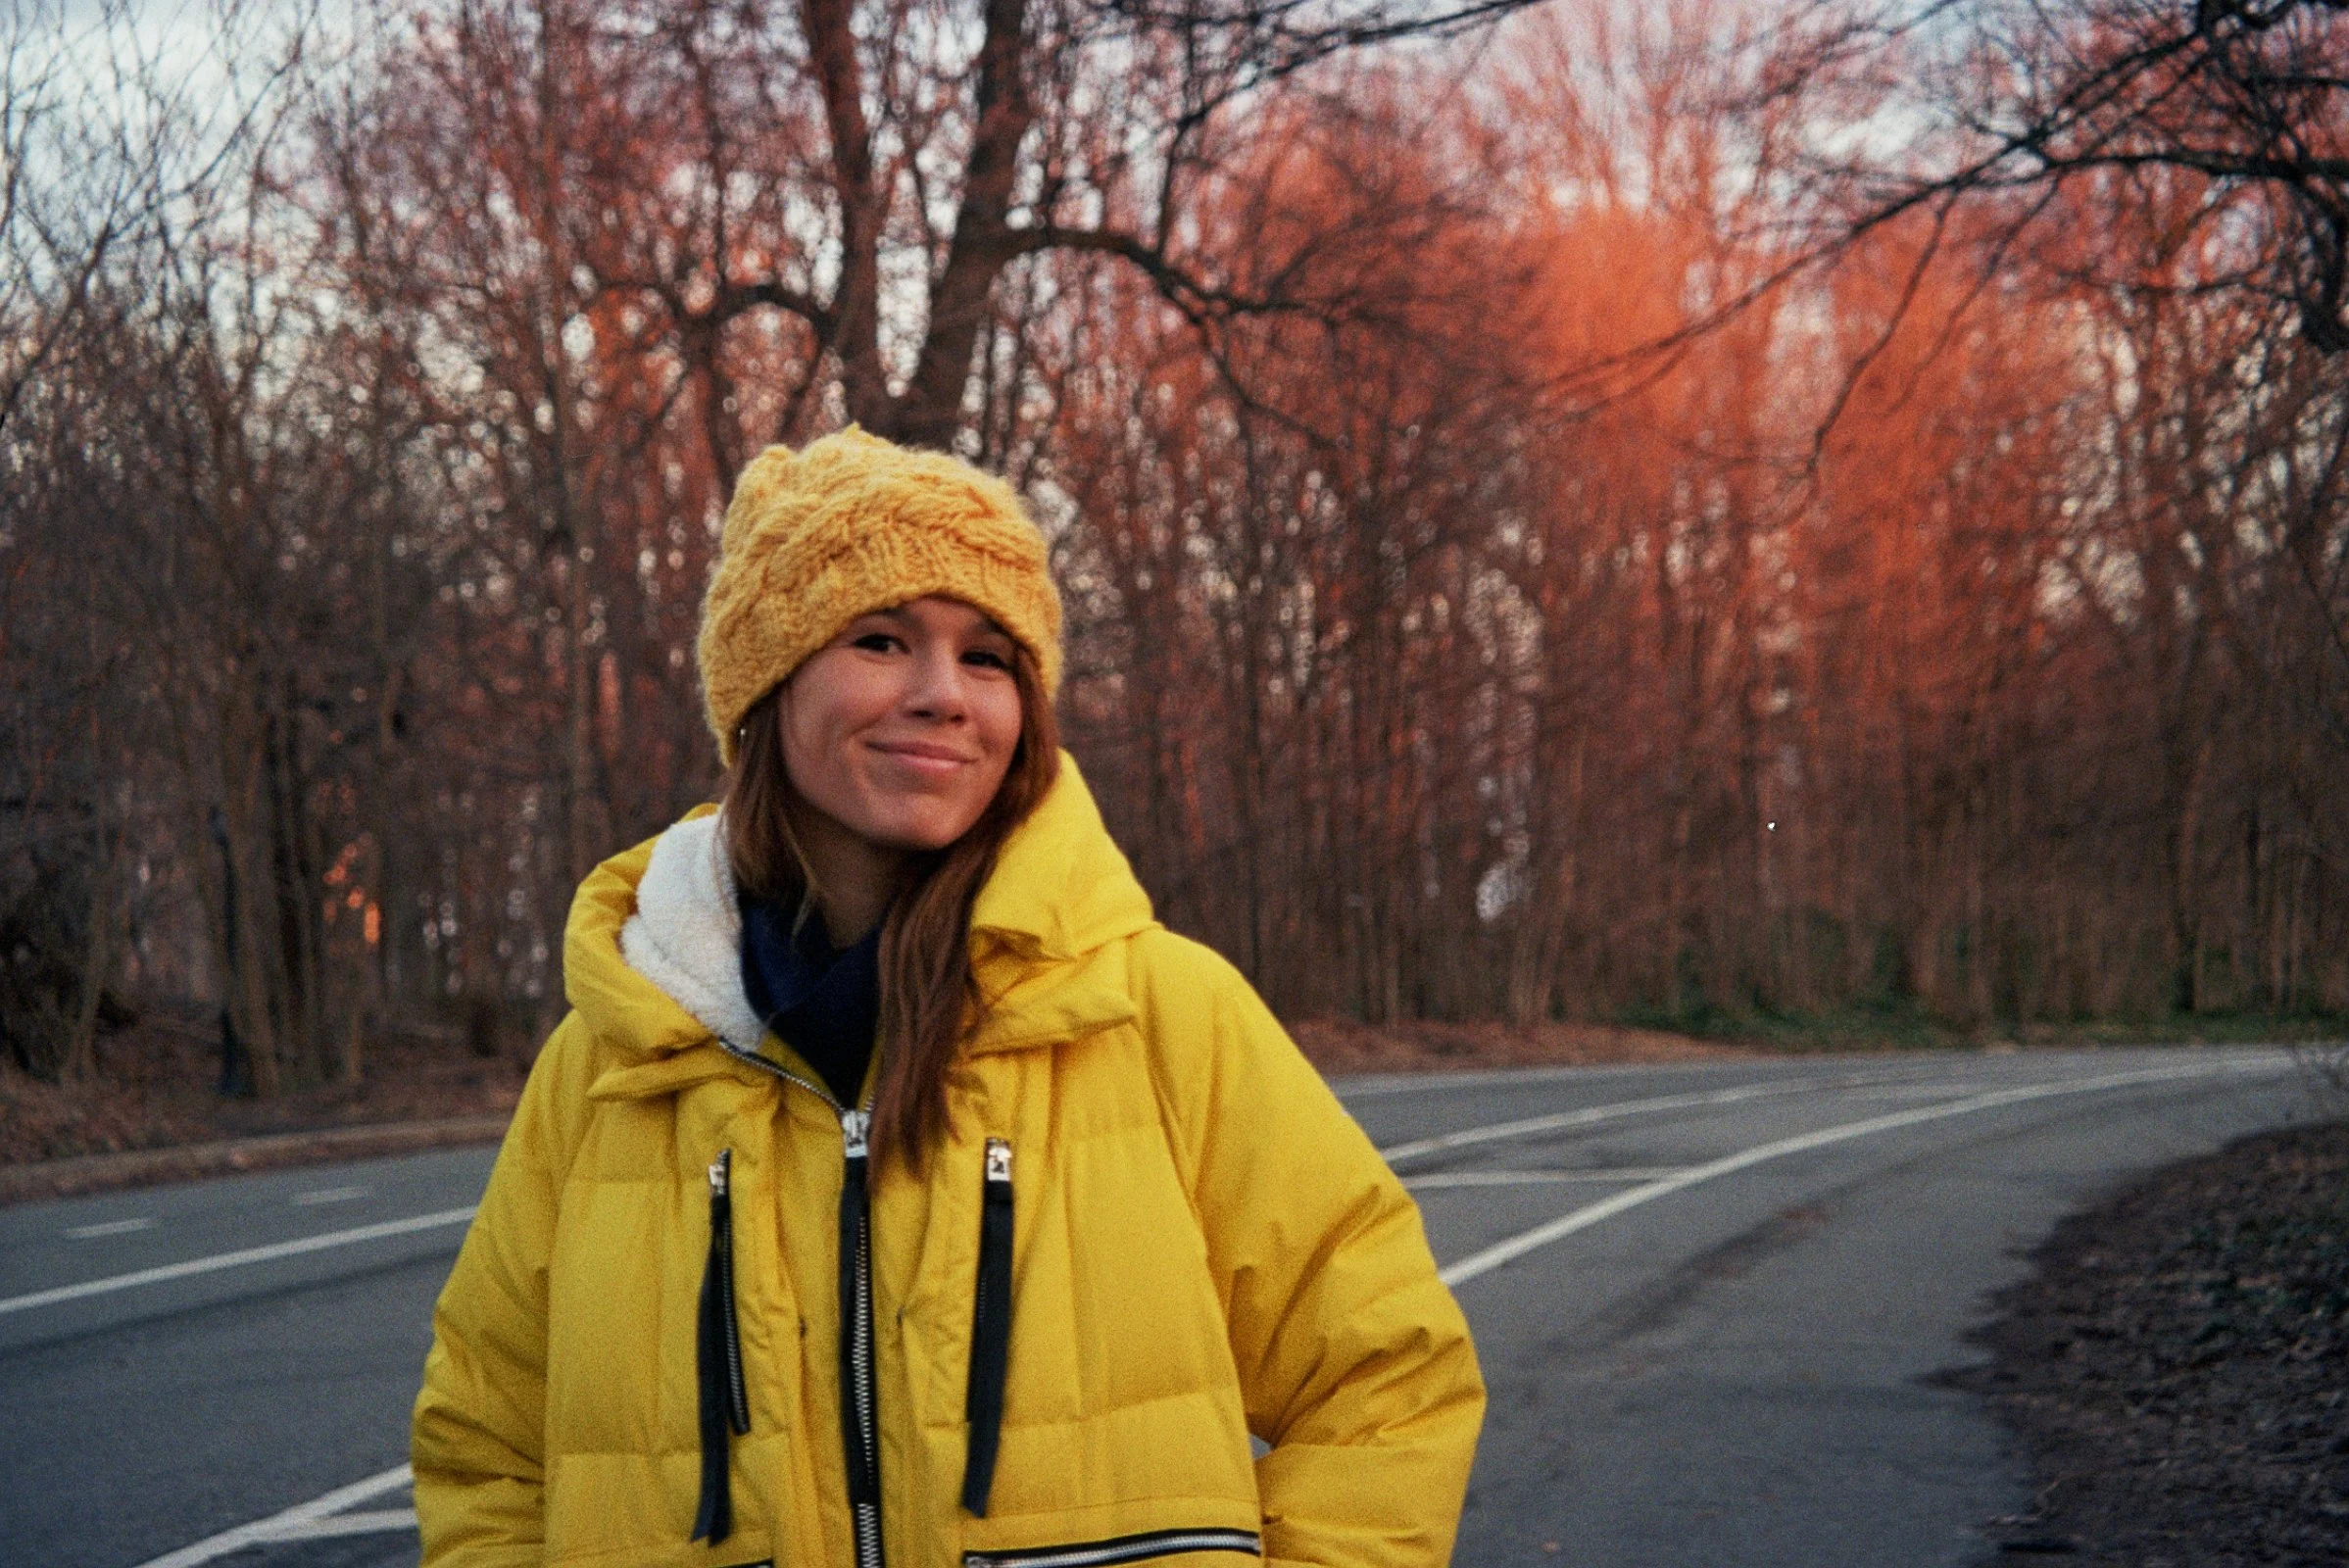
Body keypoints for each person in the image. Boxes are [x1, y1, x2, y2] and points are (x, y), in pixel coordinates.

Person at [411, 428, 1485, 1568]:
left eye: (987, 657)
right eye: (881, 639)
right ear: (767, 683)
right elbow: (486, 1454)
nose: (941, 695)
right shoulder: (618, 1055)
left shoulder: (1160, 1010)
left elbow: (1389, 1375)